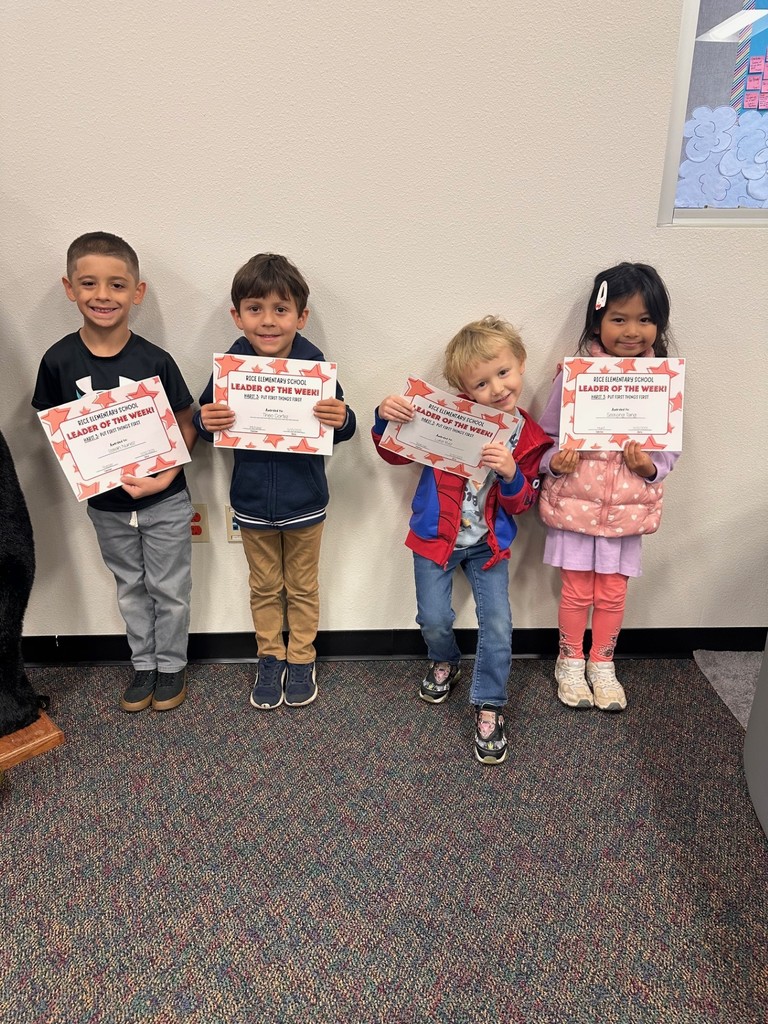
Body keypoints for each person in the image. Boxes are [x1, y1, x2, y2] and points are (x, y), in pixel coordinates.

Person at [373, 316, 552, 765]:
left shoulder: (530, 439)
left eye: (503, 373)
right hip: (436, 537)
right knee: (432, 617)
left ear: (521, 364)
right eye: (481, 383)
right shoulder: (449, 418)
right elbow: (394, 454)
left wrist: (511, 474)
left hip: (488, 546)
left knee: (499, 627)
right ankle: (445, 659)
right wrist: (385, 418)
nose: (496, 388)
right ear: (466, 391)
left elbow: (523, 503)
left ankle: (490, 702)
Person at [32, 232, 197, 713]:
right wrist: (87, 464)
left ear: (137, 292)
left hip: (164, 499)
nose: (102, 295)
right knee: (129, 586)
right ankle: (143, 662)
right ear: (70, 288)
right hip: (106, 504)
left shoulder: (155, 360)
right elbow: (52, 425)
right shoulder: (58, 360)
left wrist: (165, 478)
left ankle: (171, 665)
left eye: (117, 285)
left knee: (170, 588)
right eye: (89, 283)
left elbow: (187, 424)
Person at [194, 253, 356, 710]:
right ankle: (270, 656)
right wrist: (205, 419)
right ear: (237, 315)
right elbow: (205, 423)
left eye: (281, 309)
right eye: (255, 308)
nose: (268, 321)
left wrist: (342, 418)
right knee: (263, 587)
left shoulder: (316, 366)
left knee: (302, 587)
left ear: (301, 317)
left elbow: (343, 426)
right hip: (250, 503)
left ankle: (301, 658)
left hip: (306, 502)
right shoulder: (230, 368)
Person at [538, 262, 679, 712]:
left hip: (628, 512)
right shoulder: (575, 376)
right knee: (577, 590)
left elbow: (669, 451)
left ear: (659, 324)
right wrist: (554, 464)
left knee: (614, 593)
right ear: (597, 321)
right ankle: (569, 659)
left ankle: (603, 662)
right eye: (619, 318)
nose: (632, 330)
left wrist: (649, 466)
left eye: (644, 319)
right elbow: (543, 438)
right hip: (575, 509)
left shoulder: (663, 383)